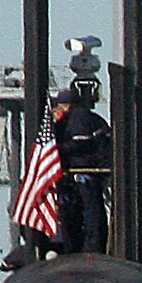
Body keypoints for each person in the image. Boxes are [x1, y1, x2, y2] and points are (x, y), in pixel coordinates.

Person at [52, 86, 112, 254]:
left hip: (87, 169)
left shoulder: (77, 118)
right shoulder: (87, 117)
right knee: (87, 208)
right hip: (90, 169)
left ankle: (91, 244)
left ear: (64, 105)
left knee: (90, 208)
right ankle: (88, 242)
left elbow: (81, 142)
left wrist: (58, 149)